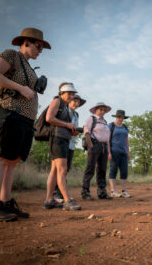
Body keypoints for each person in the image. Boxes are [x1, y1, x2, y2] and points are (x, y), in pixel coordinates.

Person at [0, 27, 51, 222]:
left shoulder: (29, 66)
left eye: (42, 49)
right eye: (38, 47)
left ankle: (6, 203)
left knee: (12, 162)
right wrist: (21, 87)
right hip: (8, 112)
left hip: (24, 119)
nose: (40, 51)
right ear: (26, 42)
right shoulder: (10, 55)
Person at [44, 83, 81, 211]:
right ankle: (67, 200)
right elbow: (49, 118)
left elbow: (62, 124)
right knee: (62, 170)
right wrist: (67, 125)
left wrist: (72, 130)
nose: (72, 96)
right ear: (62, 93)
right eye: (69, 93)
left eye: (73, 94)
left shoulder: (65, 106)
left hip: (63, 139)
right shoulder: (56, 101)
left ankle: (49, 200)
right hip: (57, 139)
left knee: (55, 171)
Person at [53, 94, 86, 203]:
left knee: (66, 170)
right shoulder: (64, 111)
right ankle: (56, 194)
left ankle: (62, 193)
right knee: (59, 170)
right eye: (74, 101)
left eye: (78, 102)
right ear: (70, 101)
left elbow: (73, 128)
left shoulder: (76, 114)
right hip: (61, 141)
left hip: (71, 144)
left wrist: (77, 131)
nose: (76, 104)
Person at [81, 102, 112, 200]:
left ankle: (102, 191)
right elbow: (86, 132)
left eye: (104, 110)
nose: (102, 111)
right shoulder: (91, 119)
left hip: (104, 147)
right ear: (96, 110)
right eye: (100, 109)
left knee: (102, 169)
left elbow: (107, 138)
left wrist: (108, 150)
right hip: (95, 145)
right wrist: (91, 146)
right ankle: (85, 192)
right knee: (90, 168)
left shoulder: (104, 122)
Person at [108, 110, 131, 198]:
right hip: (114, 151)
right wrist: (109, 152)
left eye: (122, 117)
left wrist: (128, 152)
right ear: (116, 117)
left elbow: (126, 140)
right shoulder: (111, 126)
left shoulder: (125, 127)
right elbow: (107, 139)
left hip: (123, 152)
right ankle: (113, 191)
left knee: (124, 172)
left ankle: (124, 191)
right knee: (113, 170)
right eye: (119, 117)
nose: (120, 119)